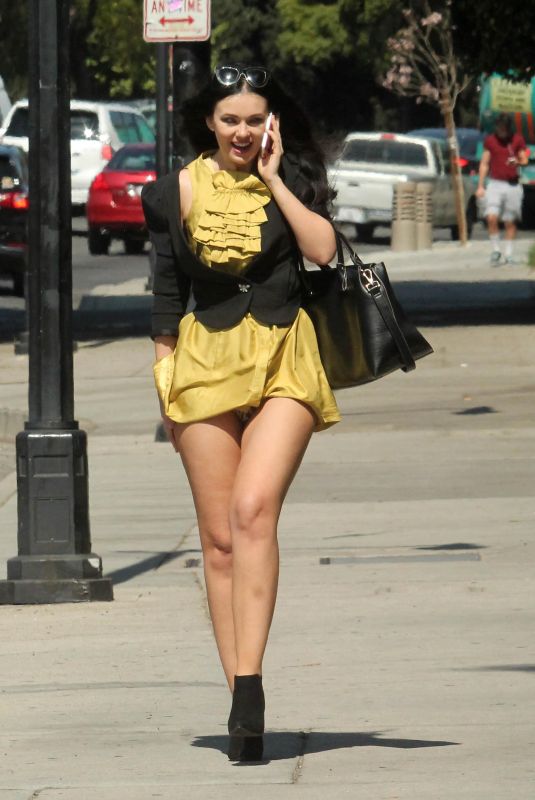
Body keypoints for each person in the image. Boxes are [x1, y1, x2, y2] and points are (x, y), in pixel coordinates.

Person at [141, 64, 341, 762]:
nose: (243, 131)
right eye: (231, 120)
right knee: (219, 540)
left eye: (255, 119)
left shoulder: (295, 177)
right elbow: (166, 294)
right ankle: (240, 707)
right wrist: (165, 383)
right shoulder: (170, 192)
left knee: (253, 511)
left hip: (286, 357)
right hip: (201, 366)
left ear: (271, 124)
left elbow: (322, 251)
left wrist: (278, 177)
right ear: (208, 123)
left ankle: (249, 680)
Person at [476, 113, 528, 265]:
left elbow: (524, 159)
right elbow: (484, 163)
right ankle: (496, 250)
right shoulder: (490, 141)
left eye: (504, 128)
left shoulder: (517, 140)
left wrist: (517, 162)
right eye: (499, 127)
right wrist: (480, 185)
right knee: (491, 217)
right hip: (495, 184)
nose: (502, 130)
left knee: (509, 221)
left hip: (512, 185)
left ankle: (509, 254)